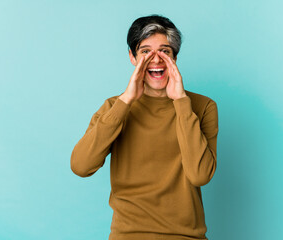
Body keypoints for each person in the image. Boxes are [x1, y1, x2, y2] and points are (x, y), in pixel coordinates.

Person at [70, 14, 219, 240]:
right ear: (132, 57)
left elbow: (199, 175)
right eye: (146, 51)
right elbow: (81, 166)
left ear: (175, 57)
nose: (156, 59)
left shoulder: (202, 106)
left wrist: (181, 103)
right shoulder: (114, 107)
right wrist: (126, 101)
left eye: (165, 51)